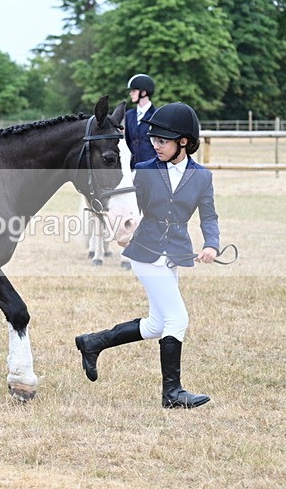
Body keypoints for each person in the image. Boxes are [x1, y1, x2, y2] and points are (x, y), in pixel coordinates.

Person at [75, 102, 219, 409]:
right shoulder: (142, 171)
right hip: (145, 252)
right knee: (178, 318)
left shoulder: (202, 176)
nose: (155, 145)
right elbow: (120, 205)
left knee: (156, 324)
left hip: (175, 252)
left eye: (162, 141)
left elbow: (209, 215)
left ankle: (93, 342)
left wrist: (211, 244)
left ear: (184, 141)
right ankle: (172, 393)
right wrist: (120, 230)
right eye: (153, 139)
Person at [125, 74, 157, 169]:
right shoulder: (128, 115)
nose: (131, 93)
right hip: (132, 166)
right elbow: (128, 141)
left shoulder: (157, 115)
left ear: (143, 92)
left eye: (134, 91)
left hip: (151, 167)